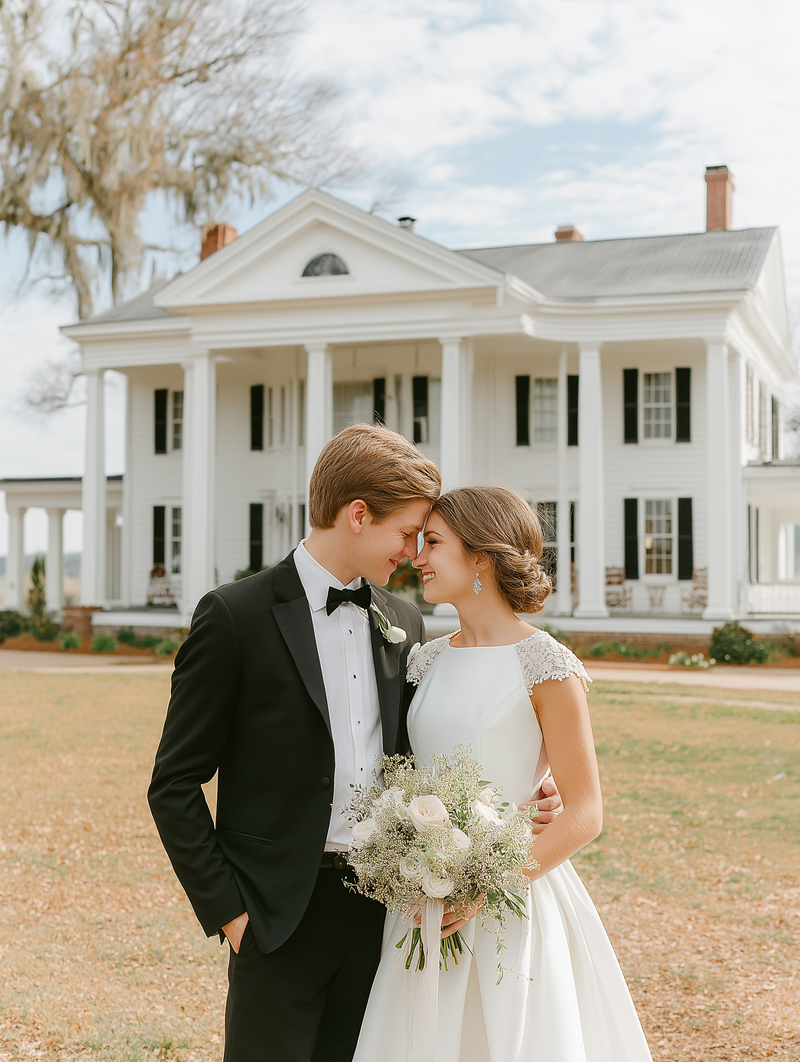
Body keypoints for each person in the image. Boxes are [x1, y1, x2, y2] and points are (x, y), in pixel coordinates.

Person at [147, 425, 564, 1062]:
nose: (413, 552)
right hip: (276, 914)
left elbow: (426, 747)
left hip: (385, 909)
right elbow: (173, 783)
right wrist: (231, 913)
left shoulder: (405, 622)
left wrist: (533, 779)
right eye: (407, 534)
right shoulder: (234, 616)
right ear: (358, 515)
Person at [354, 486, 653, 1062]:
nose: (418, 556)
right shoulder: (426, 658)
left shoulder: (546, 664)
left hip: (512, 898)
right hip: (423, 899)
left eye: (434, 542)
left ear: (481, 559)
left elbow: (586, 812)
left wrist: (486, 887)